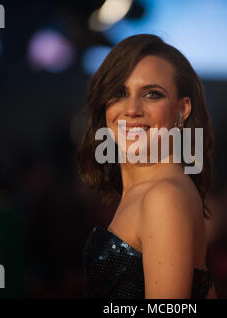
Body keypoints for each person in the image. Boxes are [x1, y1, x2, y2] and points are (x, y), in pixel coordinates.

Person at [78, 34, 216, 298]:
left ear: (182, 109)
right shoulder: (157, 190)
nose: (131, 109)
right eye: (119, 92)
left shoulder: (164, 196)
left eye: (152, 94)